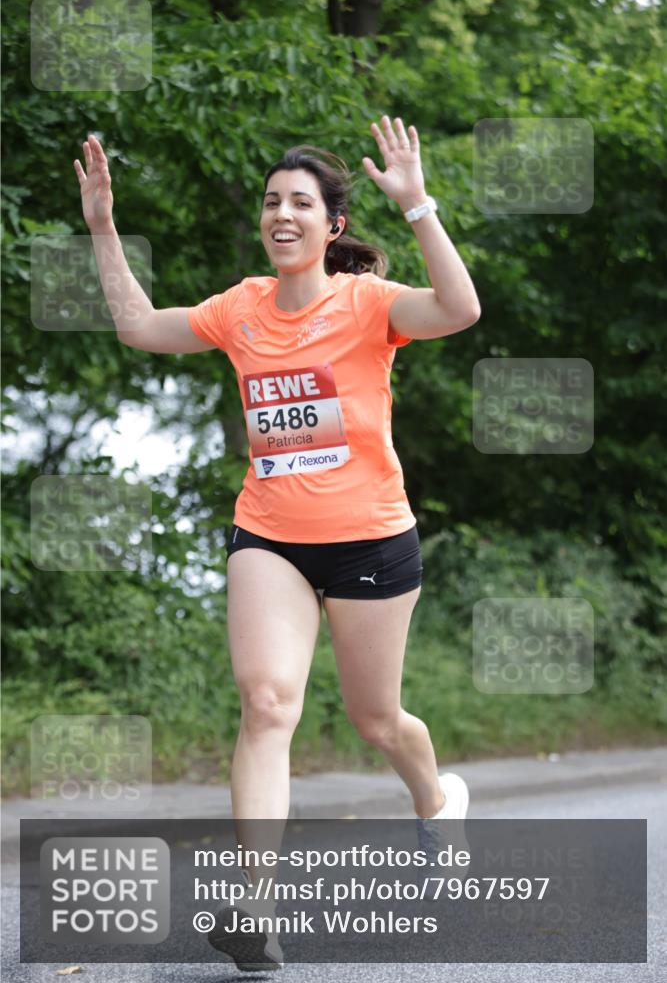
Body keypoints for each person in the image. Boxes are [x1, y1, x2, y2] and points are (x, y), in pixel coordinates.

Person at [74, 114, 481, 972]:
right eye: (271, 202)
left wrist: (418, 207)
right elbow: (140, 328)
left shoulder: (369, 305)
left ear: (332, 227)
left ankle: (437, 801)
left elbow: (459, 307)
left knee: (378, 720)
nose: (282, 214)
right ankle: (258, 912)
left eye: (301, 202)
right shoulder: (241, 309)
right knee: (266, 704)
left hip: (371, 537)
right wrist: (105, 229)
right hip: (270, 535)